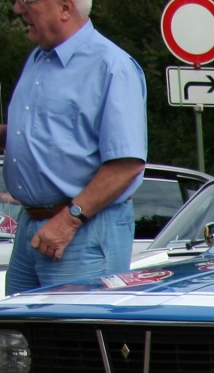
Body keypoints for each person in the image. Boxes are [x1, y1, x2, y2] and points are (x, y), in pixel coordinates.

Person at [2, 0, 147, 292]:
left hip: (81, 229)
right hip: (32, 225)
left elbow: (126, 164)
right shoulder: (38, 59)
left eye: (27, 2)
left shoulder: (111, 66)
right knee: (18, 336)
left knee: (74, 335)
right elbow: (39, 135)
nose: (18, 9)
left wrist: (68, 221)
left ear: (65, 8)